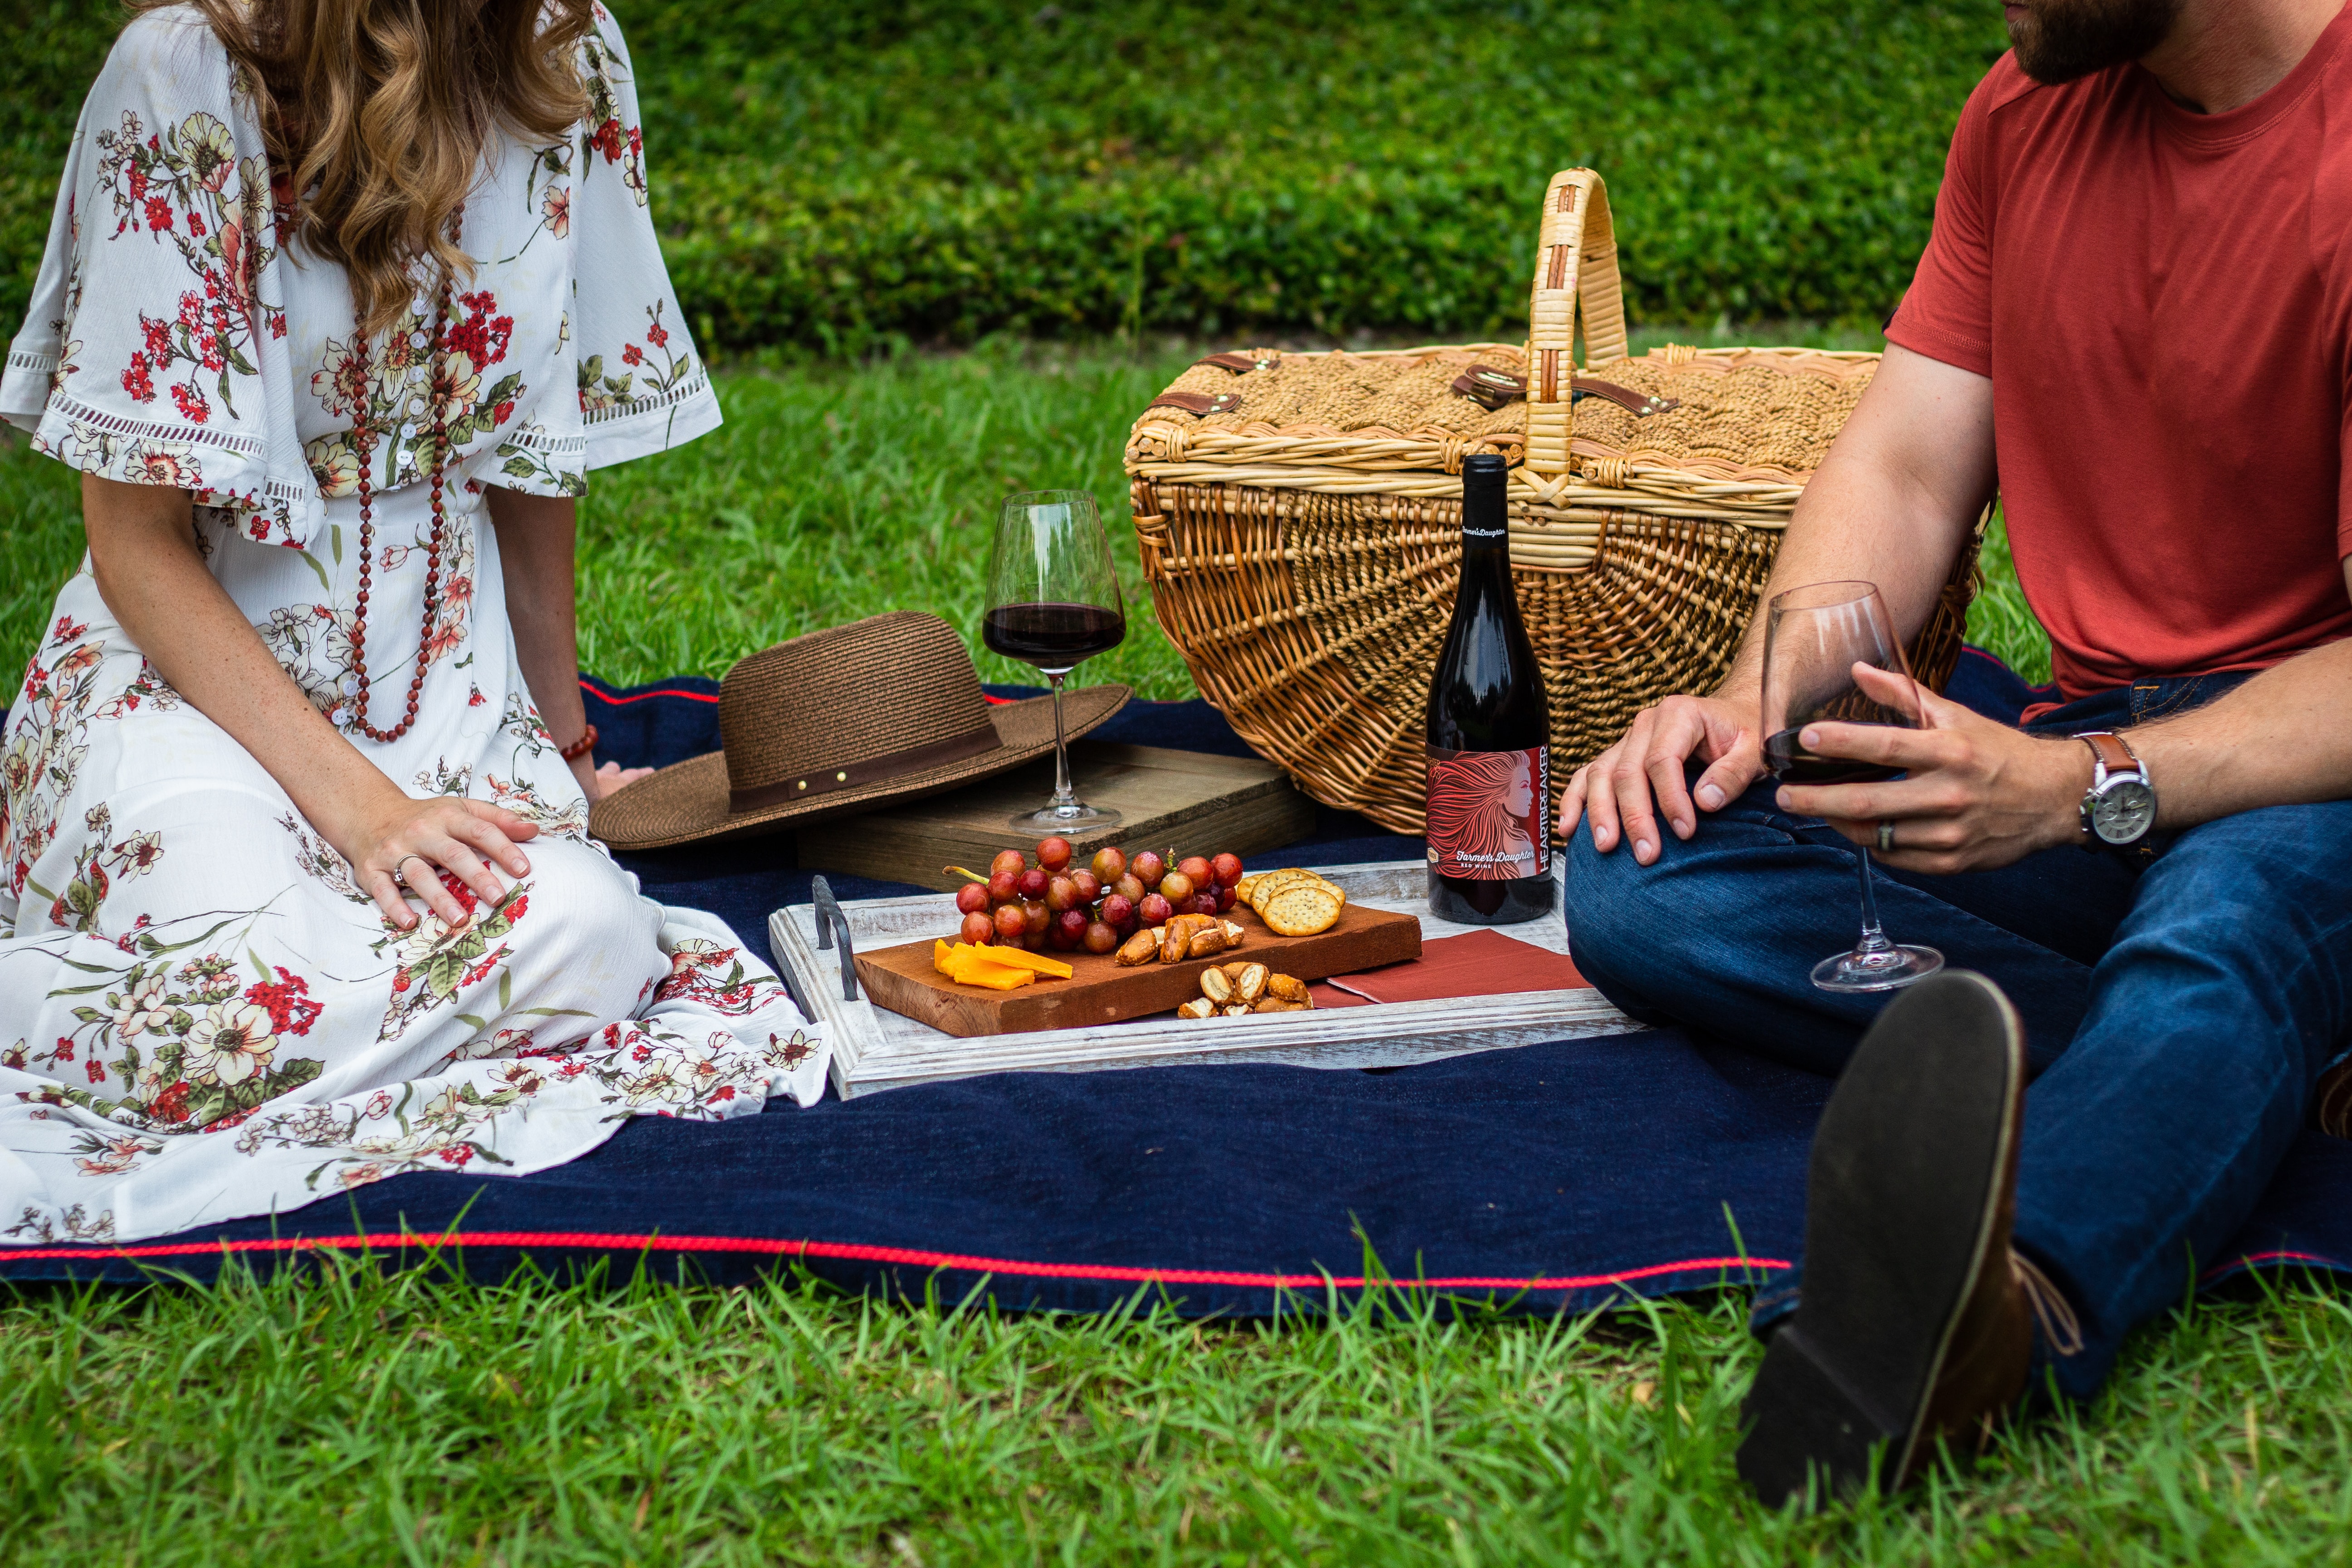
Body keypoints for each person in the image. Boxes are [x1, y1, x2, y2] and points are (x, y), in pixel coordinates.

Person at [1559, 0, 2352, 1504]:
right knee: (1648, 867)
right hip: (2081, 756)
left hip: (2311, 775)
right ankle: (2231, 1068)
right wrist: (1751, 707)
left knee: (2231, 916)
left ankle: (1993, 1311)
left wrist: (2086, 789)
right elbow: (1908, 467)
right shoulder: (2021, 112)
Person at [0, 0, 830, 1249]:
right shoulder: (183, 71)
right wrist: (365, 813)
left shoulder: (563, 50)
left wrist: (562, 744)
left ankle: (344, 1008)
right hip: (190, 689)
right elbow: (136, 550)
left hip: (445, 686)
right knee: (236, 1006)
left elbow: (532, 455)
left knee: (598, 938)